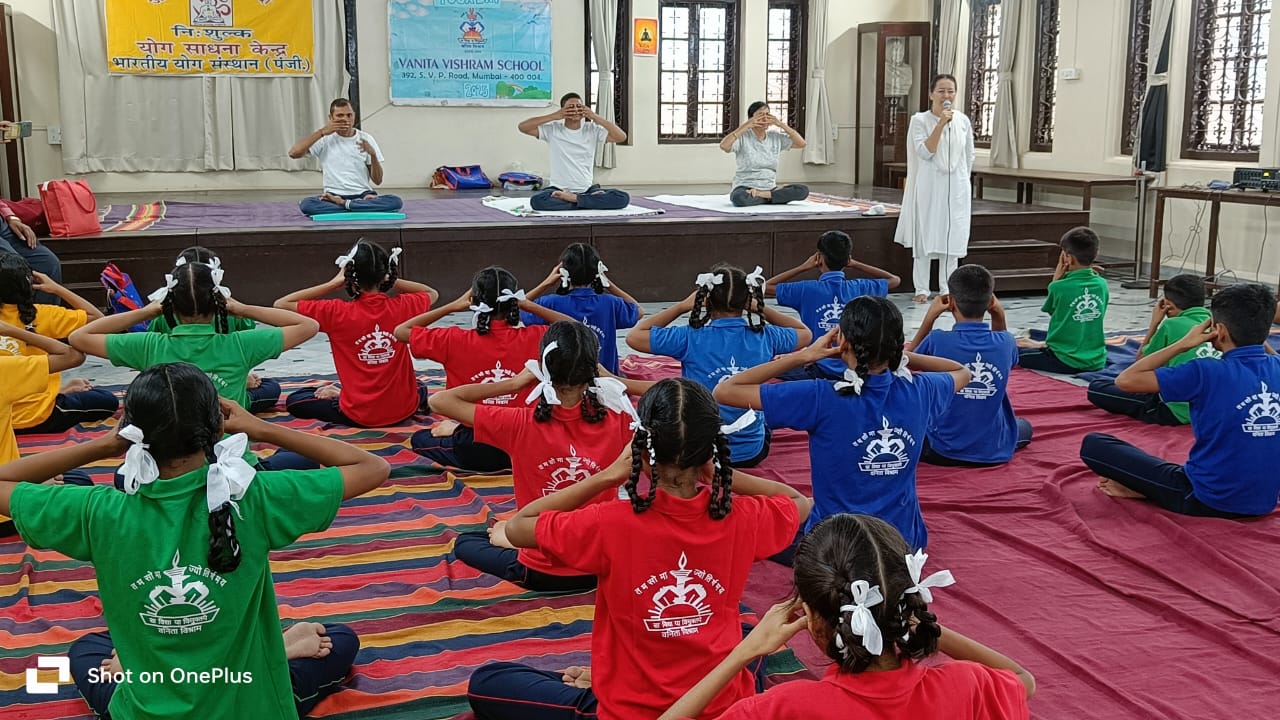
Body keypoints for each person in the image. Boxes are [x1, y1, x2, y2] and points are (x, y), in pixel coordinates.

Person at [0, 363, 390, 719]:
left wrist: (103, 445)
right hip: (251, 702)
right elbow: (373, 466)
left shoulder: (97, 511)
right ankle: (278, 648)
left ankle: (144, 662)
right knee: (339, 639)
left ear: (131, 436)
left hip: (147, 704)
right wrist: (262, 429)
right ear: (218, 429)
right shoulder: (256, 498)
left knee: (86, 651)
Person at [466, 378, 812, 720]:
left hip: (633, 710)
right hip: (720, 701)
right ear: (710, 453)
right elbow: (798, 502)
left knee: (488, 681)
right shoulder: (743, 517)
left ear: (641, 452)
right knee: (746, 632)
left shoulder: (609, 523)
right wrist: (720, 473)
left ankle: (601, 683)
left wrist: (607, 476)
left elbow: (518, 526)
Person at [659, 514, 1034, 720]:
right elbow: (1022, 679)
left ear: (812, 619)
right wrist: (911, 616)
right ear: (908, 599)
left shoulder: (780, 708)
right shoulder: (968, 685)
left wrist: (742, 654)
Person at [715, 296, 969, 553]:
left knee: (772, 524)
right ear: (896, 346)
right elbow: (962, 372)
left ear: (843, 342)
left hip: (835, 548)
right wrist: (899, 354)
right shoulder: (922, 390)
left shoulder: (821, 396)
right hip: (902, 543)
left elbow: (725, 391)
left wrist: (803, 356)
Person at [428, 322, 643, 592]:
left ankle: (513, 537)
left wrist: (514, 383)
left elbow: (439, 401)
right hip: (600, 563)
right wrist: (616, 381)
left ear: (543, 367)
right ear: (593, 369)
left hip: (540, 567)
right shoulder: (622, 419)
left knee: (467, 542)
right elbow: (679, 393)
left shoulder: (519, 422)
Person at [1081, 283, 1280, 518]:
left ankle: (1147, 489)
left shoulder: (1205, 371)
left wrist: (1184, 343)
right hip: (1264, 501)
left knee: (1094, 445)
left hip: (1203, 498)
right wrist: (1256, 336)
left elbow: (1125, 380)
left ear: (1219, 330)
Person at [626, 264, 811, 467]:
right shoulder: (767, 336)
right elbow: (805, 333)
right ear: (747, 300)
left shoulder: (690, 336)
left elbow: (634, 336)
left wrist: (682, 306)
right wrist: (759, 307)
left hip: (700, 452)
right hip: (751, 453)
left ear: (707, 299)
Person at [395, 266, 574, 471]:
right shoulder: (537, 337)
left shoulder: (453, 339)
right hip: (524, 442)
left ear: (474, 302)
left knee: (420, 439)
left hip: (474, 444)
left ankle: (457, 431)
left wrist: (451, 306)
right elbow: (578, 331)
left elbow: (400, 332)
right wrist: (528, 304)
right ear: (514, 301)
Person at [275, 240, 438, 428]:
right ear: (385, 273)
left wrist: (333, 283)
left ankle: (341, 395)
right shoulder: (403, 306)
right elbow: (431, 293)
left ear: (350, 276)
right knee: (418, 386)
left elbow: (281, 304)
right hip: (404, 409)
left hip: (360, 414)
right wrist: (388, 277)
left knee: (296, 400)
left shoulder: (335, 312)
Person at [908, 265, 1032, 466]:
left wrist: (929, 318)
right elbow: (1005, 349)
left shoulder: (937, 339)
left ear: (951, 303)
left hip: (942, 451)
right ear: (991, 302)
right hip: (993, 448)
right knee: (1023, 426)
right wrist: (998, 314)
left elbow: (904, 362)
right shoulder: (1007, 341)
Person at [150, 246, 282, 414]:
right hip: (226, 399)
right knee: (271, 387)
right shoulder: (234, 324)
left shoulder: (152, 339)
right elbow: (305, 325)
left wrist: (147, 311)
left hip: (175, 392)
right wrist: (242, 308)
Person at [1, 254, 119, 434]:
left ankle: (60, 390)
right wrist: (57, 288)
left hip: (9, 412)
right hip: (35, 415)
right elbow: (98, 320)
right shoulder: (41, 314)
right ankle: (59, 392)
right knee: (107, 400)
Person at [766, 230, 901, 381]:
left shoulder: (806, 289)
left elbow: (764, 287)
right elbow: (894, 280)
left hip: (816, 366)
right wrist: (855, 264)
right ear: (847, 259)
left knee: (766, 365)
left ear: (819, 258)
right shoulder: (859, 287)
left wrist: (803, 267)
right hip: (855, 365)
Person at [1087, 274, 1219, 425]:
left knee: (1097, 388)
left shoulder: (1171, 325)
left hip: (1175, 410)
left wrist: (1155, 323)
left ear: (1167, 305)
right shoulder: (1216, 324)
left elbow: (1141, 360)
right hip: (1210, 408)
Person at [0, 321, 90, 536]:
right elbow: (73, 354)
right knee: (80, 483)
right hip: (5, 507)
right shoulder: (3, 369)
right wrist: (10, 329)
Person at [893, 74, 975, 303]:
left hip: (956, 186)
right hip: (929, 185)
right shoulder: (919, 120)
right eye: (941, 91)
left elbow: (968, 155)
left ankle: (947, 288)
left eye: (950, 91)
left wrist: (962, 180)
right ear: (931, 94)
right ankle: (922, 288)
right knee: (925, 234)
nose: (946, 95)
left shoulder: (962, 121)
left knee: (952, 234)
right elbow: (925, 151)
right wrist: (940, 124)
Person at [520, 243, 643, 373]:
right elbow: (639, 311)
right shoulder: (611, 303)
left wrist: (546, 283)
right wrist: (608, 283)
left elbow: (519, 306)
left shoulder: (550, 303)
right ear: (598, 271)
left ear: (563, 272)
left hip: (564, 379)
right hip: (605, 378)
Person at [1017, 227, 1110, 374]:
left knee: (1014, 353)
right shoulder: (1102, 284)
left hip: (1064, 360)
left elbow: (1054, 312)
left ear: (1068, 258)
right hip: (1096, 360)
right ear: (1096, 253)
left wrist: (1056, 280)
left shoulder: (1058, 287)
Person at [290, 98, 403, 216]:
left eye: (349, 115)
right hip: (333, 196)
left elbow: (378, 181)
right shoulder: (324, 139)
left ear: (354, 116)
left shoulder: (366, 139)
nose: (345, 119)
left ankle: (344, 204)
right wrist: (322, 132)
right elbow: (293, 153)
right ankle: (357, 206)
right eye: (340, 115)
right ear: (331, 118)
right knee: (307, 204)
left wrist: (373, 155)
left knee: (396, 201)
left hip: (363, 195)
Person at [519, 93, 629, 211]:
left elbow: (621, 137)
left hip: (587, 190)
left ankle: (575, 200)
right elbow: (523, 127)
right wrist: (555, 116)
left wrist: (594, 116)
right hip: (558, 189)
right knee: (537, 201)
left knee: (622, 198)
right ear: (563, 110)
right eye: (571, 107)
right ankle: (586, 202)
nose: (576, 110)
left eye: (579, 107)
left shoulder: (592, 129)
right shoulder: (553, 130)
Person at [721, 101, 809, 207]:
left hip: (770, 188)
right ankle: (773, 198)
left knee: (803, 190)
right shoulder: (743, 138)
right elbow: (724, 146)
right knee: (738, 198)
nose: (765, 119)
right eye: (760, 115)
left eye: (767, 115)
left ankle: (762, 196)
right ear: (751, 118)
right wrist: (746, 126)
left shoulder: (775, 137)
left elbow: (801, 143)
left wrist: (780, 124)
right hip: (745, 188)